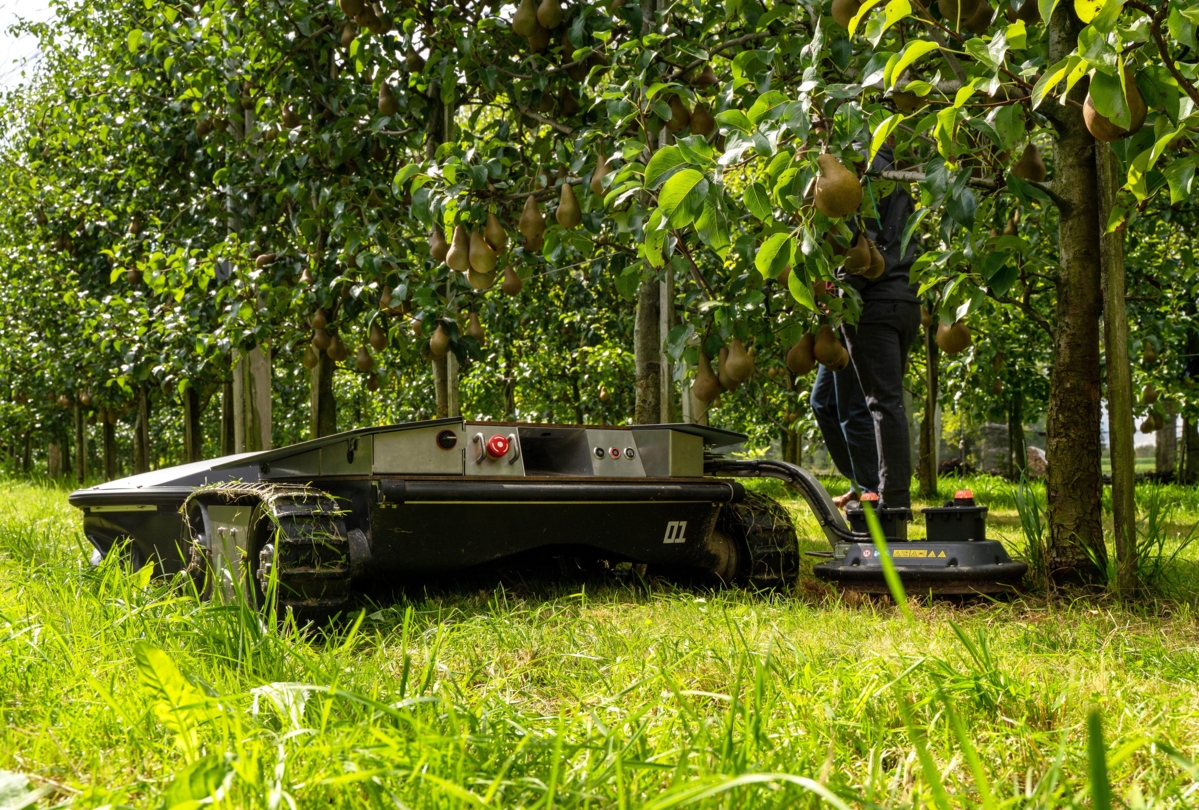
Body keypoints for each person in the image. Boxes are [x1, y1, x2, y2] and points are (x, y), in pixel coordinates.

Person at [834, 144, 922, 509]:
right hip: (905, 299)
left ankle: (893, 502)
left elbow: (864, 248)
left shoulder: (863, 173)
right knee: (843, 401)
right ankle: (871, 488)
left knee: (884, 404)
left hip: (874, 304)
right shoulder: (896, 170)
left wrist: (836, 291)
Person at [810, 356, 879, 508]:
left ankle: (872, 491)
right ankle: (861, 484)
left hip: (853, 341)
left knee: (855, 409)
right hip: (834, 343)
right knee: (823, 404)